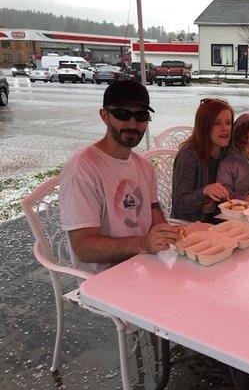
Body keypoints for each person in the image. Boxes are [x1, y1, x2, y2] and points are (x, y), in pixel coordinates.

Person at [59, 80, 181, 277]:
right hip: (105, 280)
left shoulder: (144, 166)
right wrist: (143, 244)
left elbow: (156, 221)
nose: (132, 124)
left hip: (145, 265)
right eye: (122, 114)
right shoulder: (82, 169)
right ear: (105, 116)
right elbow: (83, 247)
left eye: (141, 115)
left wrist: (174, 235)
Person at [170, 98, 233, 223]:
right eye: (217, 123)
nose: (225, 128)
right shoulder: (188, 156)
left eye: (228, 122)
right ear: (204, 126)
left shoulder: (227, 152)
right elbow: (179, 204)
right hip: (189, 226)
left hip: (220, 222)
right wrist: (204, 191)